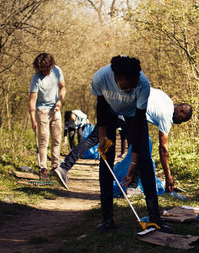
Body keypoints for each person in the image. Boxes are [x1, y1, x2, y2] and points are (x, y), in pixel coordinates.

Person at [58, 55, 171, 232]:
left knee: (144, 159)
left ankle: (155, 217)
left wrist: (133, 162)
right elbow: (101, 111)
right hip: (109, 117)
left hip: (134, 115)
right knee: (106, 160)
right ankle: (107, 218)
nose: (130, 90)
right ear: (116, 78)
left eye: (133, 86)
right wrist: (103, 141)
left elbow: (140, 121)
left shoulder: (143, 84)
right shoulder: (100, 78)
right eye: (126, 87)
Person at [54, 87, 192, 193]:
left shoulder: (165, 98)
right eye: (182, 120)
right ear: (180, 111)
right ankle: (132, 187)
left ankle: (64, 167)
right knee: (144, 145)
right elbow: (163, 149)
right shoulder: (167, 116)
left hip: (114, 103)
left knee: (92, 139)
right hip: (126, 113)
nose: (179, 123)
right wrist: (169, 177)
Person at [29, 52, 66, 180]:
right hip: (41, 111)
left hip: (55, 110)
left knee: (57, 139)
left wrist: (60, 101)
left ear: (50, 65)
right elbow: (32, 99)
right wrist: (33, 119)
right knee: (43, 140)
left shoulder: (57, 71)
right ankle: (43, 169)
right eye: (40, 68)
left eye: (45, 68)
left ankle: (56, 167)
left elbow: (63, 87)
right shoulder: (36, 78)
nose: (43, 71)